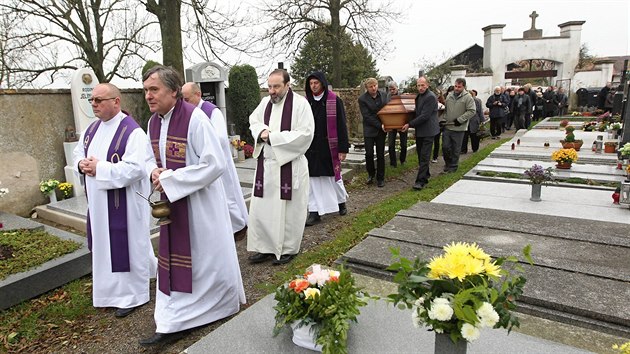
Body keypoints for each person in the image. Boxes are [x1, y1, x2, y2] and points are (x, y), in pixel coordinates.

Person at [140, 65, 245, 345]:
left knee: (203, 258)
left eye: (154, 90)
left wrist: (173, 179)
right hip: (174, 205)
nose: (148, 96)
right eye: (146, 90)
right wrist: (153, 171)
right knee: (176, 259)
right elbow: (149, 156)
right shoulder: (153, 122)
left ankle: (213, 306)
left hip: (200, 207)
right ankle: (175, 317)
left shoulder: (196, 120)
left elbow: (215, 164)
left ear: (174, 91)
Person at [73, 83, 156, 319]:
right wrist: (81, 164)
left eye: (99, 100)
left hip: (125, 205)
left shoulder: (132, 132)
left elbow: (136, 168)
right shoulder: (91, 130)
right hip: (99, 205)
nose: (94, 104)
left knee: (128, 247)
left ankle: (133, 295)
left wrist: (100, 168)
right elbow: (79, 153)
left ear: (116, 102)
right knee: (104, 247)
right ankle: (108, 292)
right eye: (92, 100)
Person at [246, 69, 315, 265]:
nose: (272, 91)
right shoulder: (264, 103)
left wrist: (273, 137)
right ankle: (264, 247)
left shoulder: (300, 105)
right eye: (269, 86)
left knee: (289, 211)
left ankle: (288, 249)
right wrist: (261, 131)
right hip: (266, 167)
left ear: (287, 85)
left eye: (276, 86)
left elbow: (305, 134)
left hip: (289, 166)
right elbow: (254, 121)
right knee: (264, 208)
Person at [181, 82, 248, 241]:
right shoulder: (188, 113)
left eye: (187, 99)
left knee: (227, 195)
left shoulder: (211, 111)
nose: (184, 103)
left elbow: (220, 138)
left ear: (198, 95)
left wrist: (201, 144)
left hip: (218, 162)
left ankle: (238, 226)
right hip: (200, 163)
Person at [303, 71, 350, 226]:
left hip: (329, 147)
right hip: (311, 148)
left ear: (322, 83)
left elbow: (342, 125)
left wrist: (343, 149)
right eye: (311, 83)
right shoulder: (306, 102)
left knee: (333, 178)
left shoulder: (334, 100)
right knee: (312, 181)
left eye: (316, 83)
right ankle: (314, 212)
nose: (313, 86)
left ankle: (341, 202)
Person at [401, 76, 439, 190]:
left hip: (428, 131)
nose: (420, 87)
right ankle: (426, 175)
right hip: (421, 131)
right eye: (418, 85)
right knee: (420, 155)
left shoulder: (430, 97)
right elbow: (417, 112)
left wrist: (409, 124)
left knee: (424, 156)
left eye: (423, 85)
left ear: (427, 85)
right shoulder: (420, 96)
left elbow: (424, 116)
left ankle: (420, 181)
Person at [439, 78, 475, 173]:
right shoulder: (449, 96)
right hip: (448, 126)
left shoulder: (468, 97)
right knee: (445, 147)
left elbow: (472, 111)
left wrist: (460, 120)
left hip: (459, 127)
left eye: (459, 87)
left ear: (463, 87)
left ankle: (453, 166)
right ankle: (448, 163)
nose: (457, 88)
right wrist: (443, 120)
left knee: (456, 148)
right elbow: (445, 110)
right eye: (456, 86)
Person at [358, 78, 389, 187]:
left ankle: (381, 178)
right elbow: (367, 116)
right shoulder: (362, 99)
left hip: (382, 129)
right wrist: (380, 125)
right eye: (371, 86)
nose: (374, 88)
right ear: (367, 88)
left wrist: (387, 123)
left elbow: (388, 109)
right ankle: (371, 174)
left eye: (375, 85)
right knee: (369, 153)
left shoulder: (384, 95)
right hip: (370, 129)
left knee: (380, 154)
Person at [386, 81, 407, 167]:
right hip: (391, 122)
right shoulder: (387, 97)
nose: (392, 91)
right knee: (391, 144)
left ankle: (402, 160)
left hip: (402, 122)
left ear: (397, 87)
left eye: (393, 89)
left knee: (404, 144)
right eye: (390, 89)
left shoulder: (403, 95)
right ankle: (393, 163)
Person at [461, 89, 483, 153]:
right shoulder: (463, 101)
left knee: (474, 135)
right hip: (465, 120)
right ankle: (463, 149)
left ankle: (475, 148)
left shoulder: (477, 101)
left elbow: (480, 111)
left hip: (474, 120)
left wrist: (482, 120)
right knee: (464, 136)